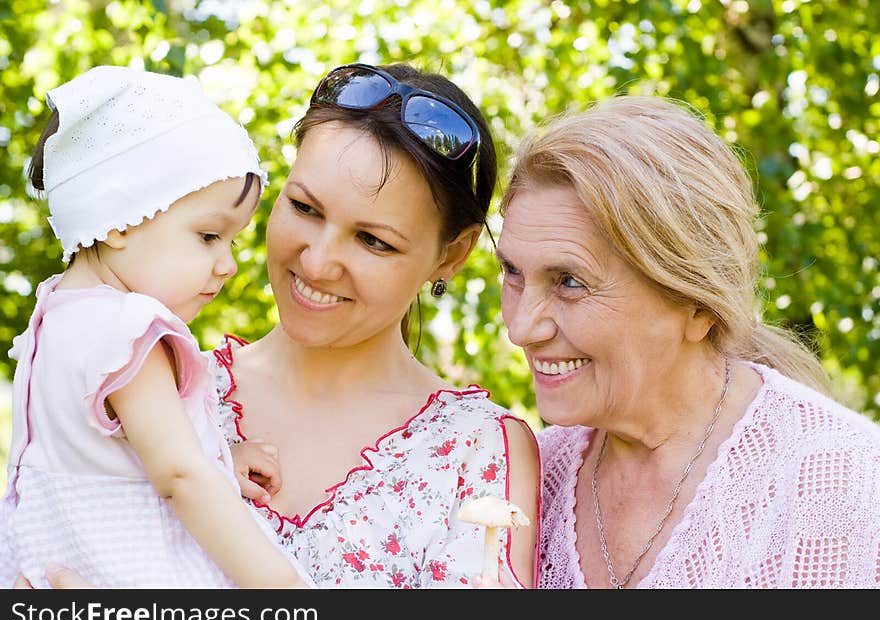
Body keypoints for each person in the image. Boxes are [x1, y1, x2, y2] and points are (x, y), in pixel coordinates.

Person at [15, 62, 541, 589]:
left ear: (452, 254)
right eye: (305, 208)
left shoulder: (476, 455)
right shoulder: (158, 386)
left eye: (373, 240)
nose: (317, 262)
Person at [497, 94, 880, 589]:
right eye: (512, 272)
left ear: (697, 306)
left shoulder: (845, 486)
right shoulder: (526, 480)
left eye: (570, 281)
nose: (522, 328)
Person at [1, 66, 313, 589]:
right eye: (209, 235)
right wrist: (288, 594)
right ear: (119, 219)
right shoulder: (129, 329)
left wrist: (219, 456)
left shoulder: (55, 316)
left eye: (232, 242)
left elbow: (107, 461)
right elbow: (181, 476)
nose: (229, 264)